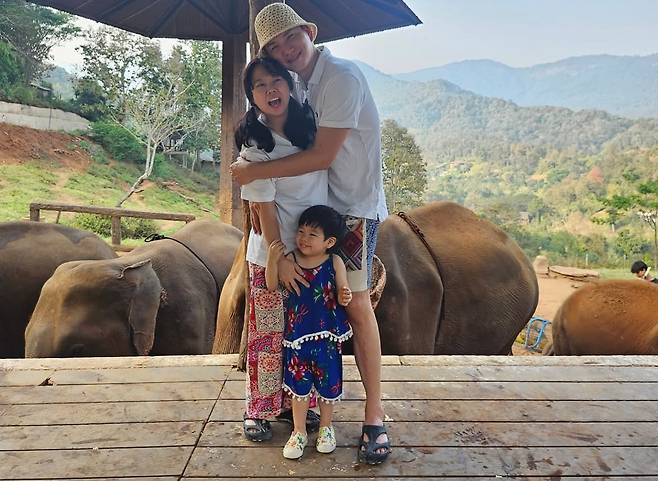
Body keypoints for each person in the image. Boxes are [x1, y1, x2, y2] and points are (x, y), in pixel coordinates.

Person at [231, 3, 392, 464]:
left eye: (291, 37)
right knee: (304, 310)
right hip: (317, 215)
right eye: (275, 46)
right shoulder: (296, 85)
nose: (286, 49)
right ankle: (292, 399)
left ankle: (375, 416)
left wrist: (251, 173)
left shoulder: (340, 77)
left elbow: (322, 156)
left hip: (351, 210)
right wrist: (256, 181)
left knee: (356, 304)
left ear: (310, 32)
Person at [235, 56, 325, 442]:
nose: (270, 89)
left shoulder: (312, 130)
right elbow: (264, 206)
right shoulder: (255, 145)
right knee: (268, 337)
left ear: (289, 85)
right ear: (252, 96)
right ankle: (259, 408)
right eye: (260, 85)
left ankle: (298, 403)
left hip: (311, 254)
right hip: (272, 258)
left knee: (304, 335)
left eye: (276, 80)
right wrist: (280, 257)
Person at [266, 205, 353, 459]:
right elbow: (271, 286)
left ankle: (326, 428)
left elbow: (343, 289)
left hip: (328, 336)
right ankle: (299, 432)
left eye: (312, 234)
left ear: (329, 242)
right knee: (299, 387)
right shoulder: (291, 259)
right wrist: (272, 260)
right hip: (297, 337)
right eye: (301, 231)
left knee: (328, 386)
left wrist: (345, 295)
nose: (304, 238)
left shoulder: (335, 262)